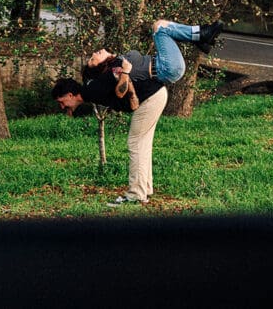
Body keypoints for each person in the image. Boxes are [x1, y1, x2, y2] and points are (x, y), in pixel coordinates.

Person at [51, 18, 224, 207]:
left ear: (69, 94)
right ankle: (142, 190)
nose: (95, 53)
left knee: (137, 143)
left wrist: (124, 74)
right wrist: (124, 74)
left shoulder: (98, 82)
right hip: (159, 81)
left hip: (157, 86)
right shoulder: (96, 85)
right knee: (159, 27)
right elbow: (120, 92)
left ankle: (138, 193)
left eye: (61, 102)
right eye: (93, 58)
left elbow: (119, 91)